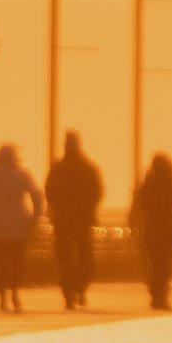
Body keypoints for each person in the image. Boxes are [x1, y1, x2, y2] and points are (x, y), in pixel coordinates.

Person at [0, 144, 43, 312]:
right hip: (18, 221)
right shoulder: (22, 173)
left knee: (0, 262)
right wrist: (35, 217)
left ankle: (2, 296)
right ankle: (15, 292)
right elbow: (36, 196)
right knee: (18, 260)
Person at [44, 131, 105, 310]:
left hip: (63, 220)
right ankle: (79, 289)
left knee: (65, 259)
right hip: (82, 220)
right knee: (85, 259)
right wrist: (89, 207)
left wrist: (58, 207)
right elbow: (98, 191)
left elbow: (49, 192)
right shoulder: (89, 168)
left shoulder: (58, 168)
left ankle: (70, 293)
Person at [137, 154, 172, 310]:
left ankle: (155, 295)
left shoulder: (149, 182)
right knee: (165, 264)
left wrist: (154, 207)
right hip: (170, 228)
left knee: (156, 263)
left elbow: (142, 204)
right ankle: (161, 297)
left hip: (153, 228)